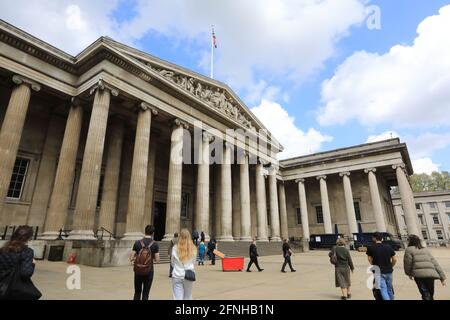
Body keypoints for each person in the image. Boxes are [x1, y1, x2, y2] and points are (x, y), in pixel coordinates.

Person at [0, 225, 41, 300]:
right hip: (14, 290)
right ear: (28, 238)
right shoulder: (27, 252)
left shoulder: (3, 250)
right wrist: (33, 263)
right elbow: (25, 273)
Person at [404, 234, 446, 300]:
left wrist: (409, 273)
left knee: (425, 294)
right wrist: (442, 277)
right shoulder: (425, 250)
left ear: (410, 241)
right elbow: (435, 263)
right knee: (430, 294)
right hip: (430, 275)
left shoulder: (408, 250)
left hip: (419, 276)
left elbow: (407, 264)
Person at [130, 225, 160, 300]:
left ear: (145, 232)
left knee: (137, 292)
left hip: (138, 270)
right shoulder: (155, 244)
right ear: (153, 233)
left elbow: (131, 258)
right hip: (149, 271)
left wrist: (136, 258)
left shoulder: (137, 243)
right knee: (146, 294)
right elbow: (157, 260)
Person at [366, 232, 397, 300]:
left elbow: (369, 259)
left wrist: (374, 264)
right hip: (389, 271)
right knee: (389, 289)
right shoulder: (388, 247)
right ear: (381, 238)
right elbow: (394, 259)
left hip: (378, 271)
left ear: (374, 238)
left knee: (383, 289)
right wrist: (391, 265)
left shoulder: (371, 248)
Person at [171, 228, 197, 300]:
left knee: (177, 298)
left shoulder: (175, 248)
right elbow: (193, 262)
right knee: (188, 296)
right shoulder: (193, 248)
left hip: (177, 274)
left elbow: (172, 263)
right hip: (189, 274)